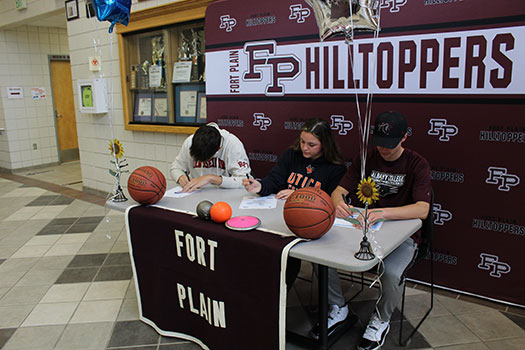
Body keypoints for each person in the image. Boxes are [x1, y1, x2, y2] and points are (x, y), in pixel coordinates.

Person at [331, 111, 431, 350]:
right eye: (380, 144)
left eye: (390, 145)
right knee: (319, 256)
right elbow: (338, 191)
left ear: (404, 137)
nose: (383, 150)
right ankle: (338, 307)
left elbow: (423, 209)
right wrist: (339, 203)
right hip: (363, 227)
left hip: (403, 234)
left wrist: (384, 213)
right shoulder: (366, 157)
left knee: (392, 274)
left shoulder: (417, 163)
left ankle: (381, 319)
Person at [242, 117, 348, 338]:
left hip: (315, 226)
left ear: (325, 144)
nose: (305, 148)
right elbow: (275, 179)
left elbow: (330, 201)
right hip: (283, 218)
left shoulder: (335, 168)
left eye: (312, 144)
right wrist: (259, 185)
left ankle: (338, 306)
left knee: (317, 260)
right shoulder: (292, 155)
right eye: (302, 142)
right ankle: (270, 302)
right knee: (272, 250)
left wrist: (300, 195)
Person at [170, 122, 251, 192]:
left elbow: (244, 181)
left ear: (218, 149)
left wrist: (211, 178)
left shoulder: (233, 144)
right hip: (197, 193)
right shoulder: (189, 142)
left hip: (226, 195)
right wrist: (180, 177)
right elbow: (175, 168)